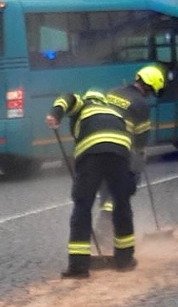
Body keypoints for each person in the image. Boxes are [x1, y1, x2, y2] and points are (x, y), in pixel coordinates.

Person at [47, 63, 163, 278]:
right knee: (122, 203)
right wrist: (134, 171)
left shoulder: (87, 103)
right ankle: (125, 260)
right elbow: (139, 145)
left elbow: (67, 98)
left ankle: (79, 267)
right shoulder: (116, 110)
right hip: (120, 151)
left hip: (91, 153)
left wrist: (56, 114)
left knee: (83, 206)